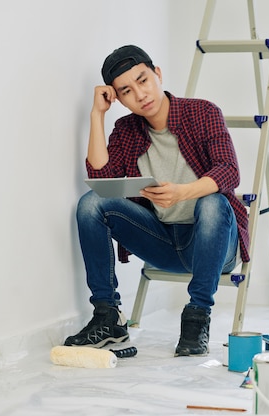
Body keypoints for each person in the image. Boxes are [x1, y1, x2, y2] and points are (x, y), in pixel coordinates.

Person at [64, 45, 249, 356]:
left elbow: (230, 171)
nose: (140, 94)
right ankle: (108, 318)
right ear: (118, 98)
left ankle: (197, 316)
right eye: (127, 90)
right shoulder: (126, 130)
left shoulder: (203, 112)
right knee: (90, 203)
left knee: (213, 202)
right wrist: (97, 114)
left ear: (157, 74)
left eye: (143, 80)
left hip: (213, 245)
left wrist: (182, 192)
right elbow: (102, 181)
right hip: (161, 242)